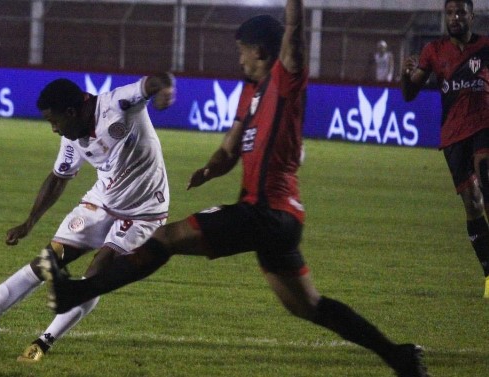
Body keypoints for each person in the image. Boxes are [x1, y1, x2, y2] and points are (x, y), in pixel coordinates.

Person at [39, 1, 429, 376]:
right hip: (276, 221)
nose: (238, 58)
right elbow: (230, 148)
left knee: (166, 238)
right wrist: (211, 168)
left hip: (267, 210)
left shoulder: (284, 80)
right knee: (308, 305)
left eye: (242, 51)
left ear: (259, 50)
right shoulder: (249, 93)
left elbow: (294, 28)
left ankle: (76, 294)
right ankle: (399, 358)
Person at [0, 73, 176, 361]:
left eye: (54, 121)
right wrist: (29, 222)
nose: (54, 129)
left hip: (143, 212)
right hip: (101, 203)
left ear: (72, 112)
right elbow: (58, 178)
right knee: (46, 262)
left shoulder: (117, 104)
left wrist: (165, 90)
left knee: (95, 275)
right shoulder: (72, 137)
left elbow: (155, 80)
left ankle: (42, 343)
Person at [401, 0, 489, 298]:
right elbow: (410, 94)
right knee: (473, 203)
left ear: (471, 16)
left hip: (484, 125)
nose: (454, 18)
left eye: (460, 13)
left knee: (486, 173)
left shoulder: (486, 47)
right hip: (453, 135)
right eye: (450, 13)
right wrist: (406, 73)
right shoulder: (433, 51)